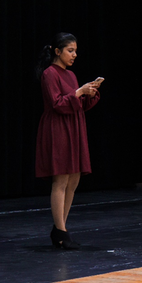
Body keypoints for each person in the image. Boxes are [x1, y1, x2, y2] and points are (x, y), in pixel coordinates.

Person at [35, 33, 102, 249]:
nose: (74, 55)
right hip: (58, 129)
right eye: (70, 50)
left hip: (74, 126)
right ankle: (61, 231)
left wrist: (88, 93)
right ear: (57, 51)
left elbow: (78, 105)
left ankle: (60, 229)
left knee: (74, 179)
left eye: (75, 51)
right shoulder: (49, 74)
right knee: (61, 180)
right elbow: (57, 104)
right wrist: (79, 92)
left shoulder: (71, 75)